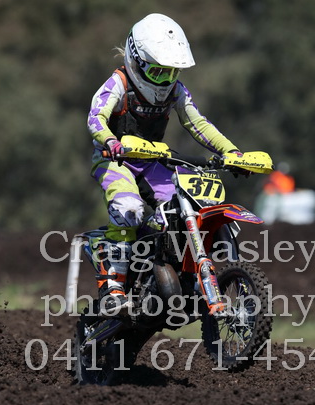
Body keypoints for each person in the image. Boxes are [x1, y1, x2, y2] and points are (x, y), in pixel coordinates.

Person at [87, 13, 243, 314]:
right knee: (129, 208)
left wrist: (232, 152)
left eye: (171, 73)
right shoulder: (119, 83)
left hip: (153, 161)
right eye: (158, 72)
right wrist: (110, 141)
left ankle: (183, 270)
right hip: (114, 160)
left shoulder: (176, 91)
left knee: (191, 203)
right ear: (137, 60)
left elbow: (198, 124)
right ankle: (113, 284)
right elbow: (96, 117)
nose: (166, 80)